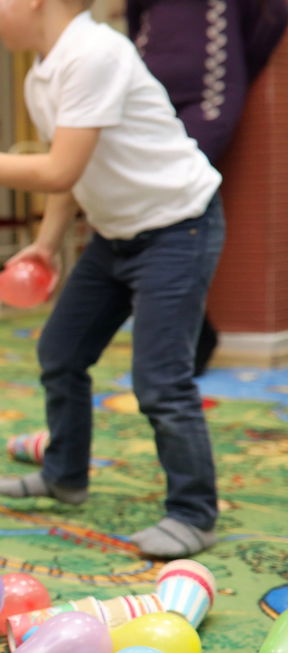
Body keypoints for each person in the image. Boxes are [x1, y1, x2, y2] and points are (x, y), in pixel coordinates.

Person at [0, 0, 225, 558]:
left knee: (162, 382)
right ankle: (65, 475)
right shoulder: (43, 72)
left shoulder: (95, 53)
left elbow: (59, 169)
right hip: (117, 235)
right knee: (61, 352)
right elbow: (75, 172)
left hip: (178, 227)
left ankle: (194, 512)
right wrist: (46, 244)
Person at [126, 0, 288, 376]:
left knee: (178, 198)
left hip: (210, 98)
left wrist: (239, 67)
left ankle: (192, 335)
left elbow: (274, 15)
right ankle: (188, 332)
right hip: (151, 96)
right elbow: (135, 19)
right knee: (148, 205)